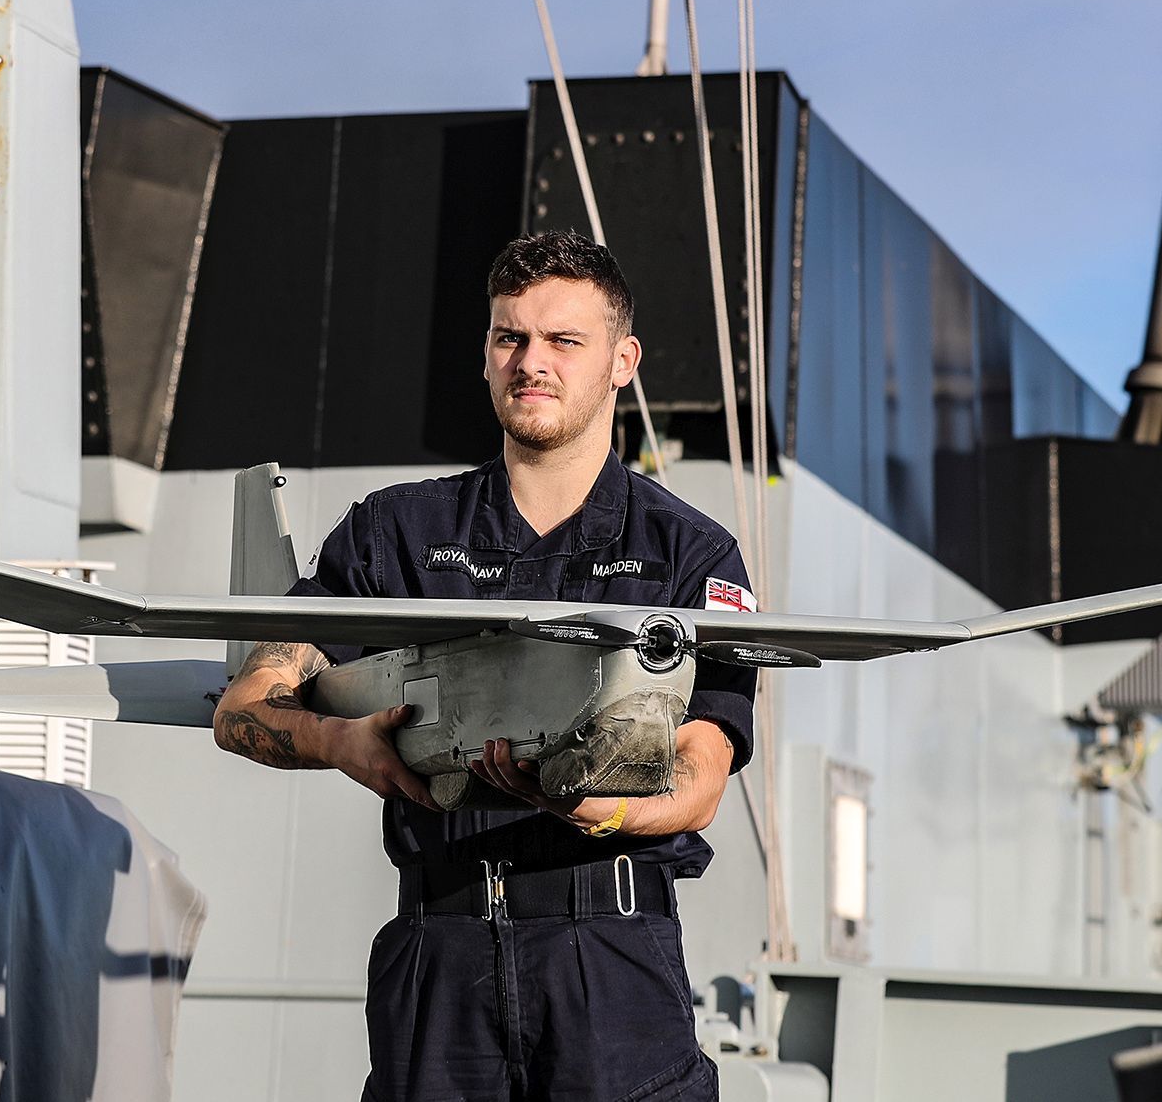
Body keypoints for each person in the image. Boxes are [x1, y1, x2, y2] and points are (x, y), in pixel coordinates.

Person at [211, 230, 756, 1102]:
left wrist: (593, 804)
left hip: (609, 961)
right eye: (510, 337)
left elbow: (701, 772)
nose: (530, 362)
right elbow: (247, 702)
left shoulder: (689, 553)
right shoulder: (392, 537)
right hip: (439, 954)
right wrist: (345, 742)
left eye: (562, 341)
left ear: (623, 361)